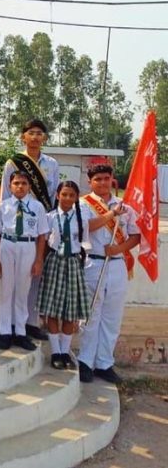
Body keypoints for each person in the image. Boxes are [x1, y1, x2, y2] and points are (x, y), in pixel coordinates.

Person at [78, 164, 140, 384]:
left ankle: (104, 363)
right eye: (98, 179)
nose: (103, 183)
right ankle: (85, 361)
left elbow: (135, 235)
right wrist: (111, 214)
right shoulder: (83, 204)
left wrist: (118, 249)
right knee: (90, 315)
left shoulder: (125, 206)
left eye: (106, 178)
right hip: (93, 264)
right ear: (90, 181)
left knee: (112, 317)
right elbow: (87, 226)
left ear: (112, 180)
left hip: (116, 264)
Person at [0, 119, 60, 341]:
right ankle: (10, 324)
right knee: (11, 279)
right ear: (23, 136)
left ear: (44, 137)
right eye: (31, 133)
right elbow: (6, 194)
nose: (35, 137)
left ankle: (30, 322)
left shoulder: (52, 164)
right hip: (15, 223)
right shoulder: (13, 162)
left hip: (39, 221)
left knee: (35, 274)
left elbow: (53, 195)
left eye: (39, 133)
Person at [0, 171, 49, 351]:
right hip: (7, 245)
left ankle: (21, 332)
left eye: (24, 183)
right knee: (7, 289)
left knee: (23, 291)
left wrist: (39, 260)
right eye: (16, 183)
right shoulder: (3, 206)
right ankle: (5, 331)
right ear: (10, 186)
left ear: (29, 186)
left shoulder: (37, 207)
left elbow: (42, 236)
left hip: (28, 246)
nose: (20, 187)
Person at [37, 181, 91, 369]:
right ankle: (55, 352)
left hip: (73, 263)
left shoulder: (81, 218)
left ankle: (65, 351)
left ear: (76, 198)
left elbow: (85, 243)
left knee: (70, 312)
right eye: (64, 194)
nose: (67, 198)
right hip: (54, 262)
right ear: (58, 196)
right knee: (52, 310)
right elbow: (43, 243)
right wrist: (39, 263)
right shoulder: (50, 217)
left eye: (72, 195)